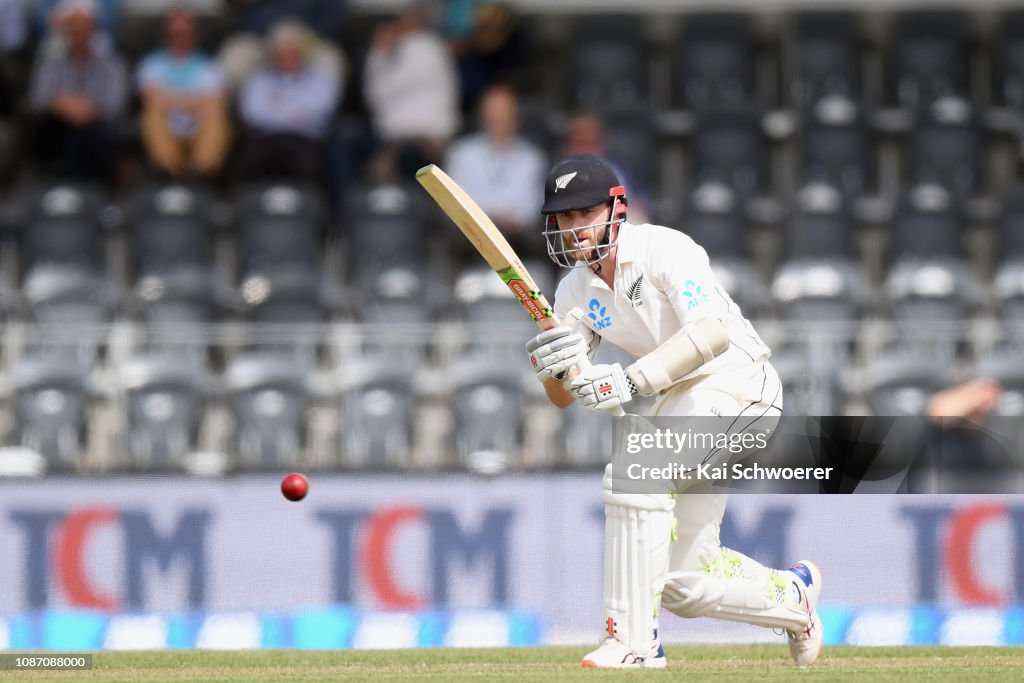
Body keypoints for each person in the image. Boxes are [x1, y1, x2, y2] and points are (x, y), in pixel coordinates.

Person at [524, 154, 822, 669]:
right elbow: (563, 396)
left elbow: (711, 333)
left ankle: (633, 643)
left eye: (583, 214)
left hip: (738, 387)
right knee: (684, 584)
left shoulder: (665, 248)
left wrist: (628, 378)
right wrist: (554, 369)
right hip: (680, 401)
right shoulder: (574, 289)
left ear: (616, 209)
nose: (573, 229)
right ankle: (794, 600)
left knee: (636, 471)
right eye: (564, 219)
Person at [446, 83, 546, 261]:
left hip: (518, 240)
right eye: (492, 111)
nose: (497, 117)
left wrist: (508, 221)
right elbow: (454, 200)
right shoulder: (462, 154)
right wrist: (488, 220)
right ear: (482, 115)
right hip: (470, 237)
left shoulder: (532, 158)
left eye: (503, 111)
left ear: (516, 116)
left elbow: (532, 206)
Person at [28, 0, 126, 182]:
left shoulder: (112, 65)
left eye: (83, 27)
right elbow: (36, 101)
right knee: (68, 130)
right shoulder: (51, 62)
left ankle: (77, 186)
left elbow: (115, 107)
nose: (78, 32)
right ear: (65, 32)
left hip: (97, 128)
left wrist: (86, 109)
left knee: (87, 131)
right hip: (58, 128)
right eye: (73, 27)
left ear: (94, 30)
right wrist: (61, 103)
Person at [363, 0, 459, 179]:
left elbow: (377, 93)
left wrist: (379, 51)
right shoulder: (433, 47)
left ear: (412, 23)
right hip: (405, 138)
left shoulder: (421, 47)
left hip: (427, 139)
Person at [238, 19, 341, 182]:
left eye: (293, 50)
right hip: (266, 137)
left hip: (306, 139)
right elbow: (252, 113)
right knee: (252, 160)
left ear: (303, 53)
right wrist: (295, 112)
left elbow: (321, 111)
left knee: (307, 161)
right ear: (274, 53)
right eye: (284, 50)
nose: (288, 54)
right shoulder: (259, 79)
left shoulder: (321, 79)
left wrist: (278, 106)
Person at [136, 9, 230, 179]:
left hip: (198, 129)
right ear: (165, 36)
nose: (180, 38)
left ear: (195, 36)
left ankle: (201, 174)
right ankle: (172, 172)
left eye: (186, 33)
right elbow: (150, 100)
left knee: (216, 116)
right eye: (175, 34)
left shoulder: (208, 66)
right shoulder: (152, 64)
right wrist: (194, 101)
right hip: (167, 127)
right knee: (151, 116)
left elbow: (215, 102)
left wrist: (171, 100)